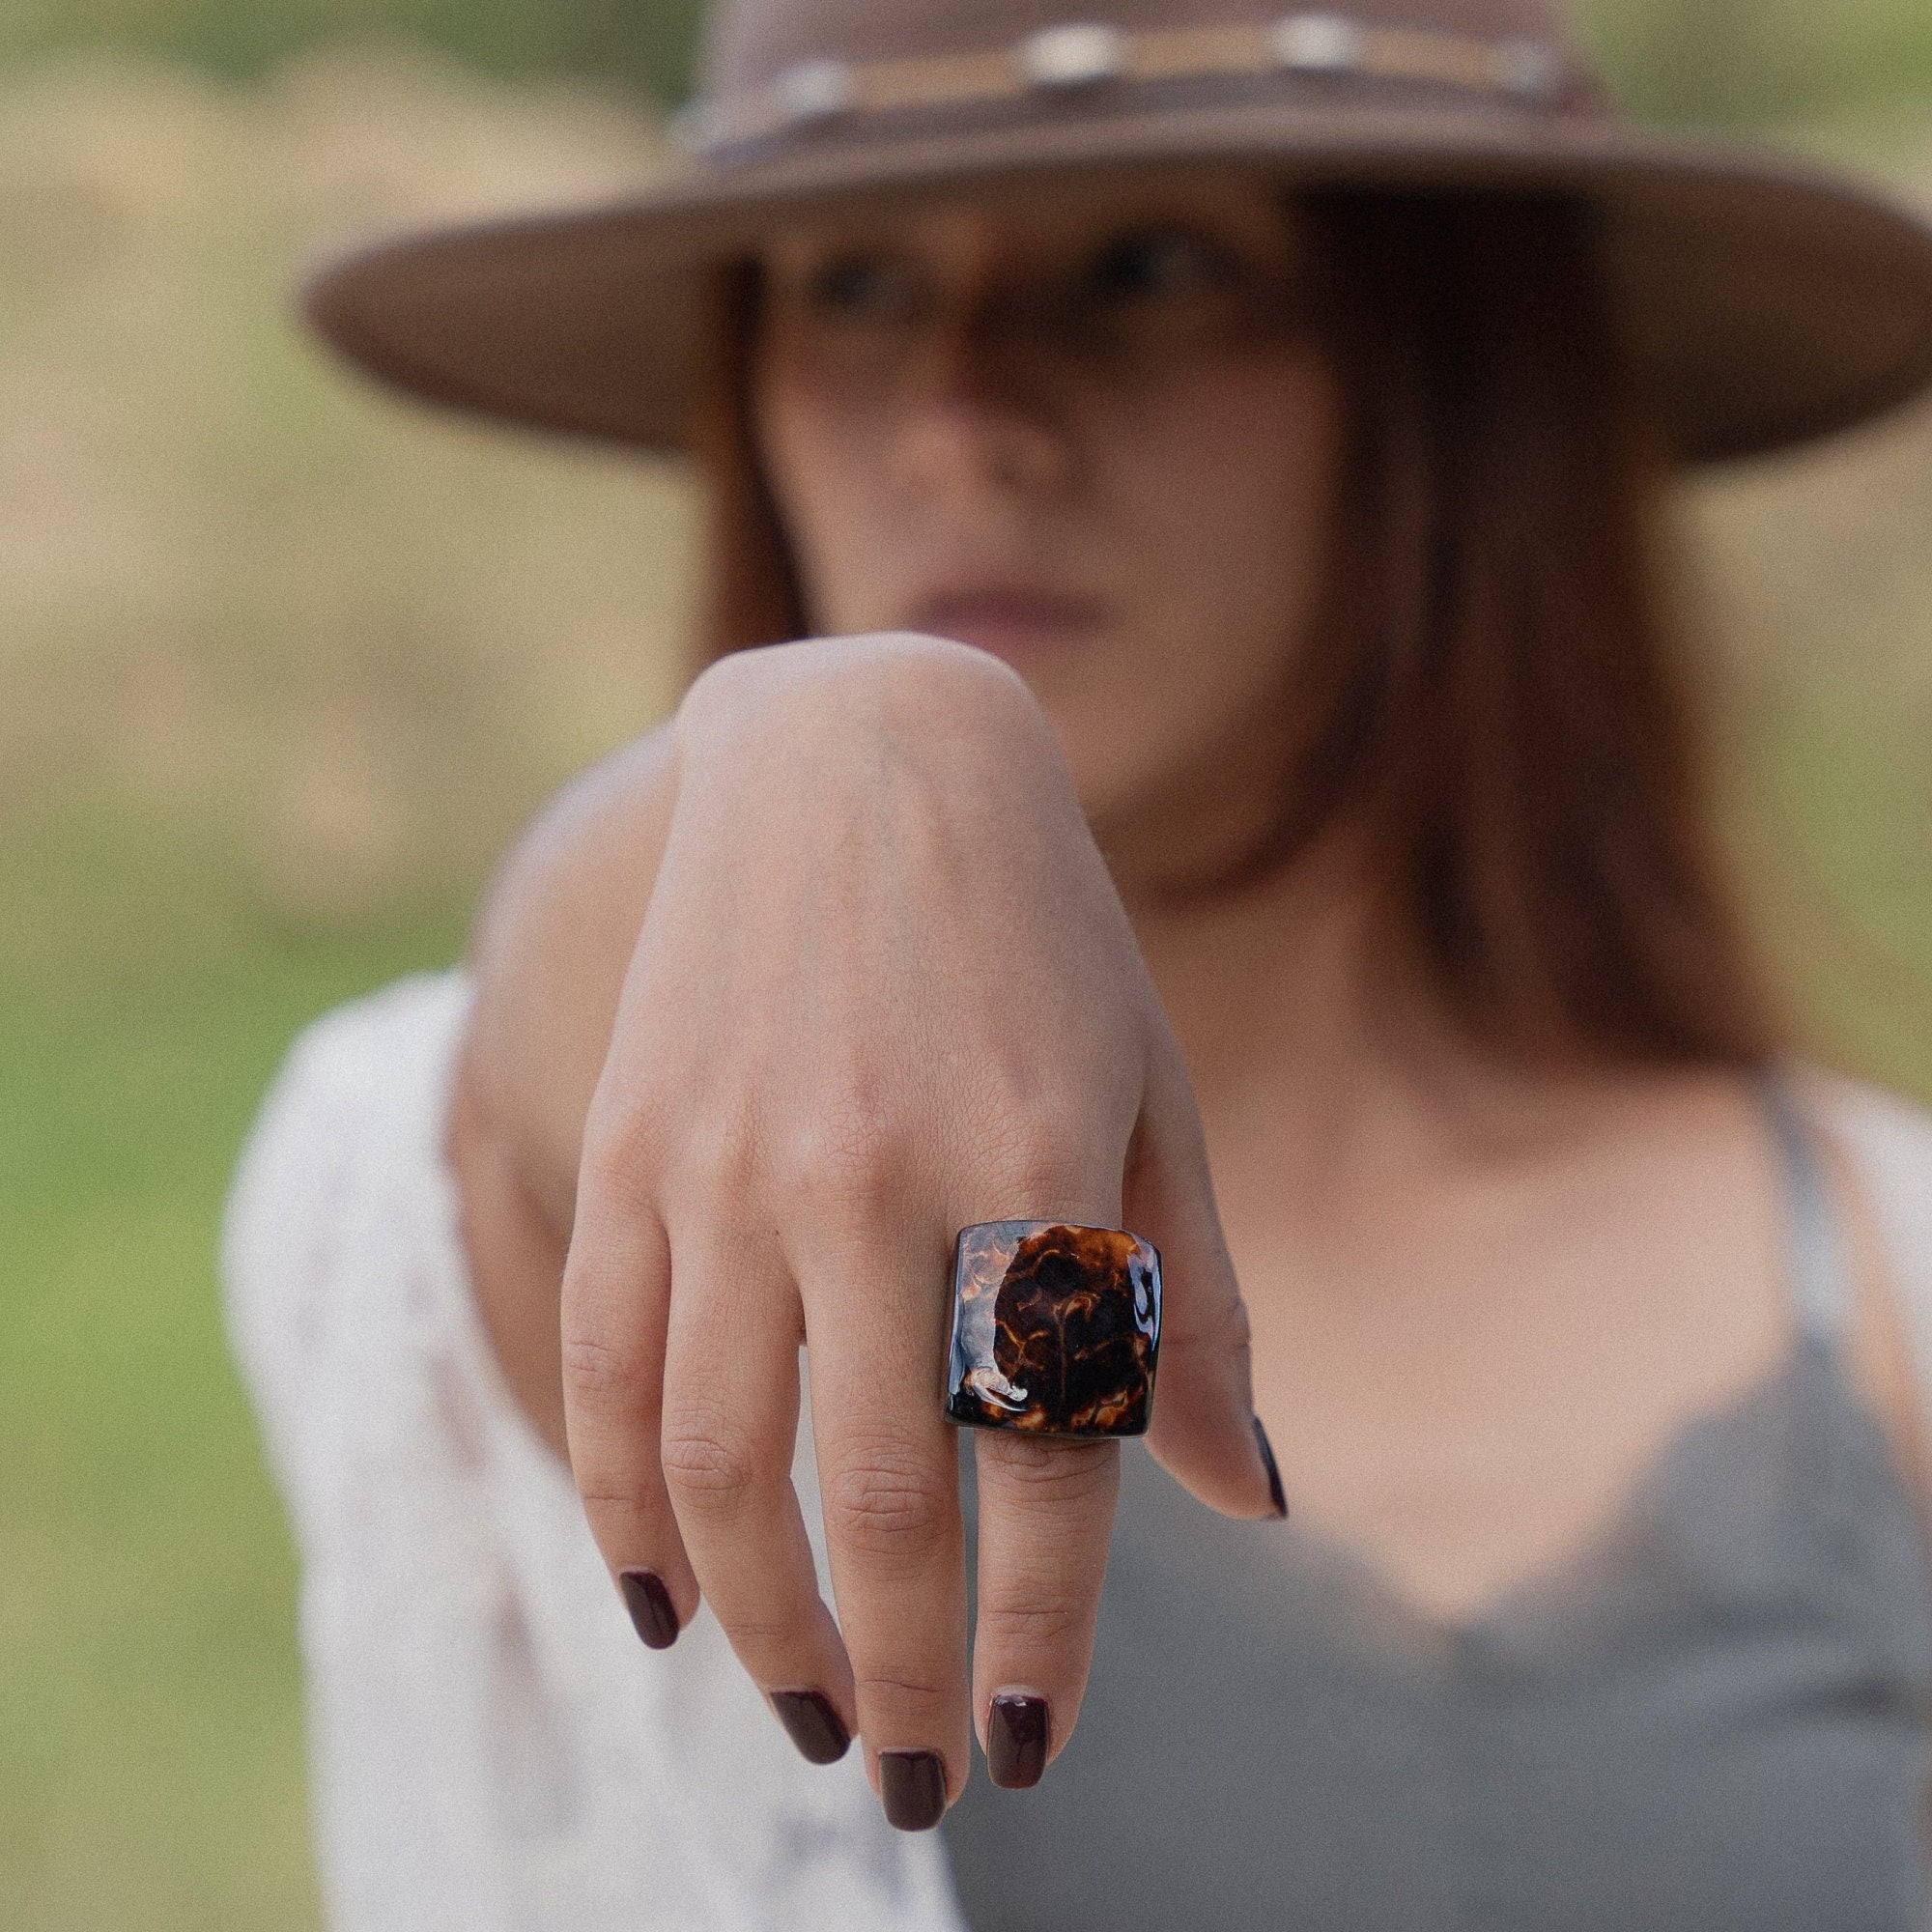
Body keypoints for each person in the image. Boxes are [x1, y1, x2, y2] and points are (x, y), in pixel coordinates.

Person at [224, 0, 1932, 1926]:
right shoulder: (664, 1202)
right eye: (855, 284)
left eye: (1149, 269)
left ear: (1457, 371)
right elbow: (526, 1090)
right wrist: (816, 747)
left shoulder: (1874, 1275)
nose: (963, 417)